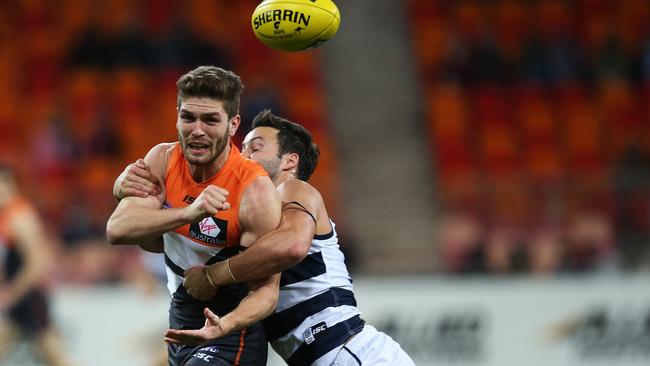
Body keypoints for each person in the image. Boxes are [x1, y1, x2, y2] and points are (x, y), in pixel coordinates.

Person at [116, 110, 415, 365]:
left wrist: (213, 275)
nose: (242, 154)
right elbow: (157, 241)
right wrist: (127, 189)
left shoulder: (294, 190)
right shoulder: (247, 213)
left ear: (289, 162)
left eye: (255, 147)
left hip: (350, 352)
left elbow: (292, 246)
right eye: (242, 147)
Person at [106, 66, 282, 366]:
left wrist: (223, 327)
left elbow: (266, 291)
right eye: (188, 117)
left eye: (211, 120)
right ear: (177, 116)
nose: (197, 129)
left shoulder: (255, 192)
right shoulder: (162, 159)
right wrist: (189, 212)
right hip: (181, 317)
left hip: (231, 329)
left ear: (232, 124)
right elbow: (117, 229)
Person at [0, 164, 74, 366]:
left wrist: (11, 293)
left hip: (29, 297)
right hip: (22, 298)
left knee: (55, 356)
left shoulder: (20, 217)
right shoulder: (8, 216)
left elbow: (38, 261)